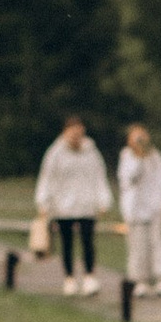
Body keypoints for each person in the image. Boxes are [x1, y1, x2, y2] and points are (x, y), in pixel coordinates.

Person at [35, 118, 113, 297]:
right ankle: (69, 278)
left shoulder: (91, 152)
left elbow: (99, 176)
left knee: (88, 242)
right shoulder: (55, 153)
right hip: (63, 206)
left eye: (79, 134)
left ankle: (89, 277)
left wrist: (103, 199)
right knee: (67, 243)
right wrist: (43, 202)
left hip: (86, 204)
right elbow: (47, 178)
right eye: (72, 134)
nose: (76, 138)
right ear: (65, 133)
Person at [118, 125, 161, 295]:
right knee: (138, 246)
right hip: (135, 209)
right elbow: (129, 178)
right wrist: (139, 158)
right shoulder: (127, 157)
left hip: (155, 206)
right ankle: (140, 280)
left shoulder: (155, 156)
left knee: (157, 243)